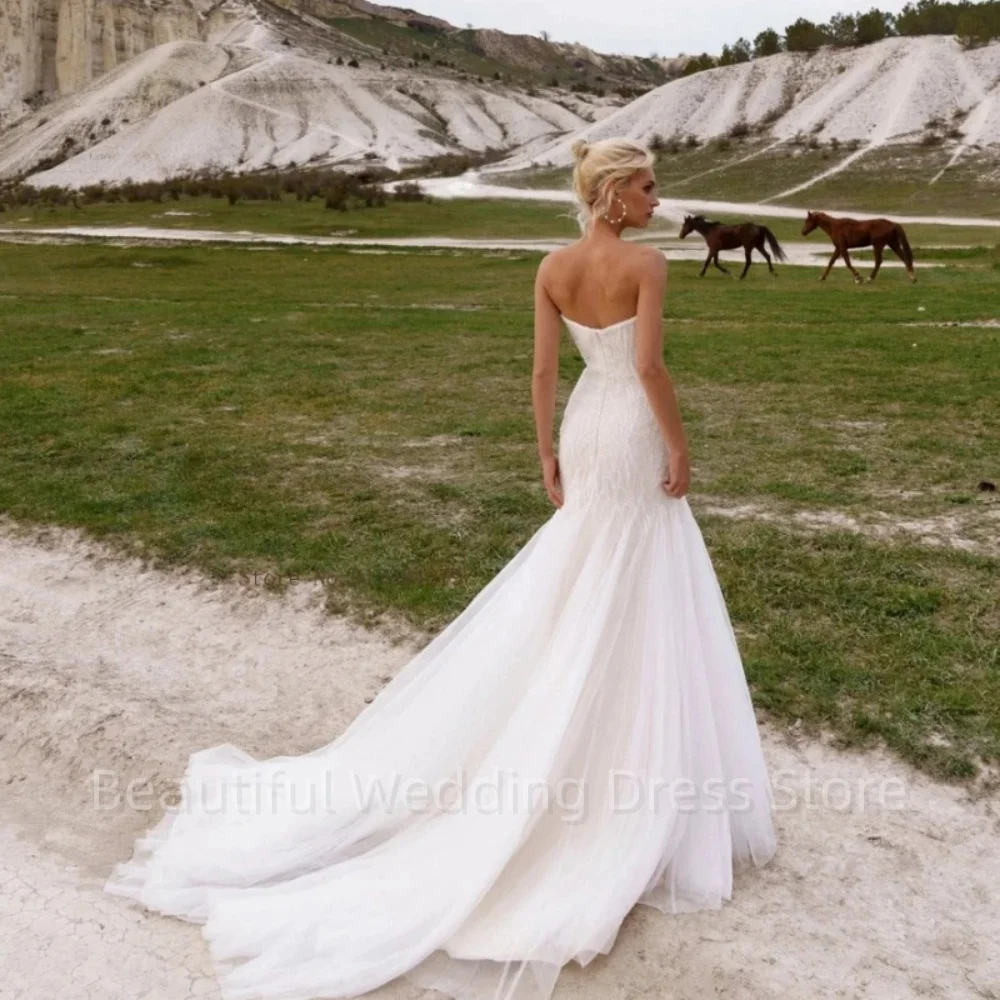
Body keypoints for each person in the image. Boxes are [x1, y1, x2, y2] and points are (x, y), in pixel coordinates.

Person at [104, 136, 778, 1000]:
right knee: (635, 579)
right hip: (631, 429)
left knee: (588, 576)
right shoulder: (645, 266)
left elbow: (541, 368)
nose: (657, 199)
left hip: (583, 426)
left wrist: (543, 453)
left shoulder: (552, 266)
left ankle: (589, 746)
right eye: (647, 186)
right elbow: (646, 365)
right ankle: (622, 784)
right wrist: (682, 444)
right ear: (612, 194)